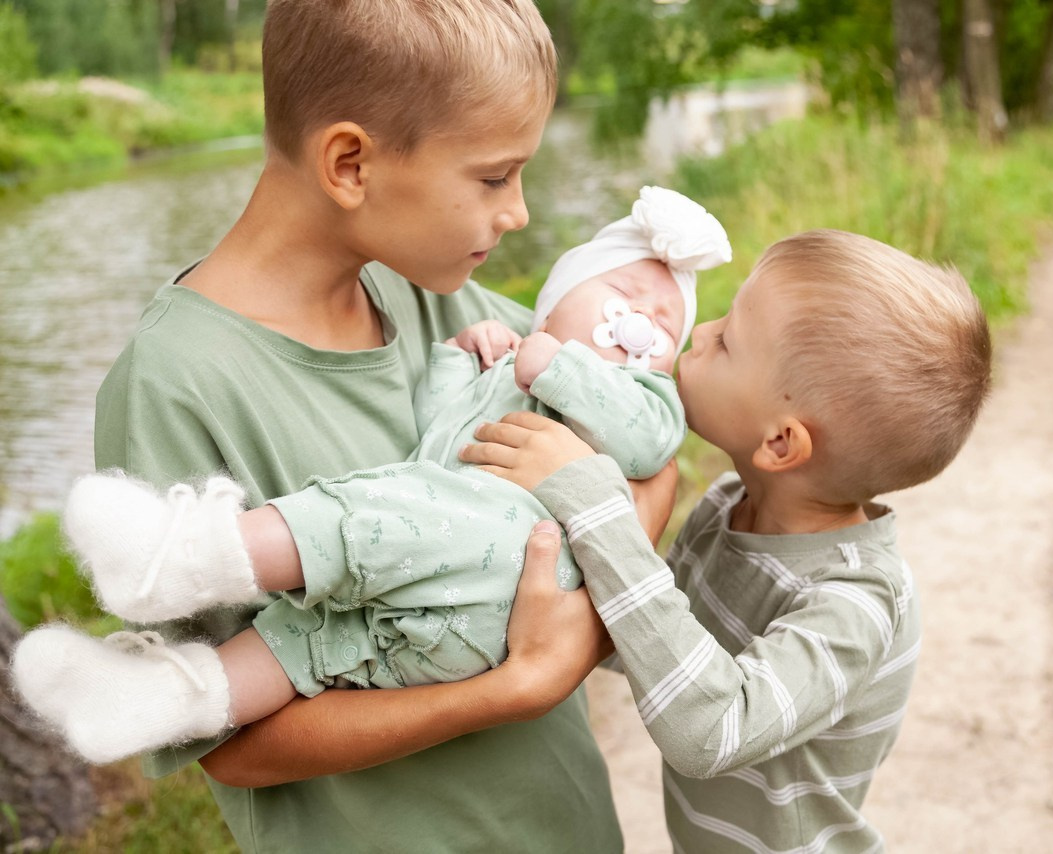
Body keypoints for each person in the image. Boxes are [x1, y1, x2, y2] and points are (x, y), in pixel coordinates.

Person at [7, 1, 674, 851]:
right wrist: (518, 684)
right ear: (351, 163)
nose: (519, 215)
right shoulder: (175, 386)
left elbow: (654, 449)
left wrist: (588, 588)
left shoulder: (443, 300)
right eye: (495, 177)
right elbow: (235, 746)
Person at [13, 187, 732, 766]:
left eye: (664, 326)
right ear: (553, 299)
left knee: (364, 515)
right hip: (430, 601)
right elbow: (435, 423)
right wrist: (464, 357)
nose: (640, 324)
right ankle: (182, 694)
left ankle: (198, 555)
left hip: (502, 561)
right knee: (314, 634)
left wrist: (558, 365)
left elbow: (652, 449)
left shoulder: (632, 392)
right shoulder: (500, 349)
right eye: (620, 299)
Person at [459, 230, 993, 852]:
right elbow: (644, 642)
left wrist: (596, 505)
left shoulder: (857, 602)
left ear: (780, 443)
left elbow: (709, 731)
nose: (702, 330)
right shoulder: (726, 508)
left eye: (729, 340)